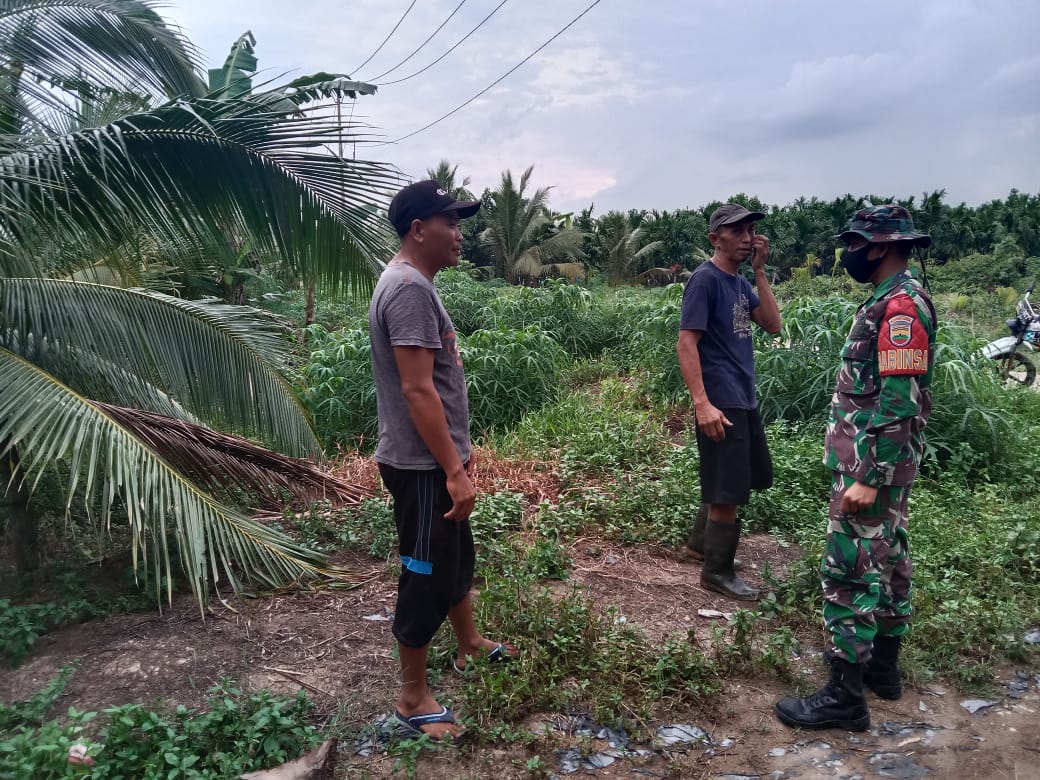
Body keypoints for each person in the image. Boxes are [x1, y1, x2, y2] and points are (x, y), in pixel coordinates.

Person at [775, 205, 936, 732]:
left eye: (856, 244)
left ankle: (845, 696)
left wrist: (869, 476)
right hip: (883, 462)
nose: (849, 254)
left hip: (871, 464)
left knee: (850, 569)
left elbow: (899, 399)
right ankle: (882, 670)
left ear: (881, 247)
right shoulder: (893, 298)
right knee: (890, 558)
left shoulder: (900, 306)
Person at [369, 180, 516, 743]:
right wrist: (453, 470)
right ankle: (412, 699)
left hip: (436, 460)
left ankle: (469, 645)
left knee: (454, 560)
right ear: (418, 229)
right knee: (424, 573)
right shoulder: (408, 288)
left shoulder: (413, 283)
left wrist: (460, 458)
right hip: (424, 467)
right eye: (450, 223)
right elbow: (418, 390)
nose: (459, 235)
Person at [676, 203, 782, 600]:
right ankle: (716, 572)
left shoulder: (739, 283)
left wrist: (760, 271)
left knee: (731, 477)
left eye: (750, 230)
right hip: (721, 398)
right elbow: (686, 343)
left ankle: (700, 545)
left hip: (742, 395)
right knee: (729, 489)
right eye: (737, 231)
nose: (747, 238)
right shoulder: (704, 280)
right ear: (714, 238)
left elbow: (773, 325)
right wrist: (702, 403)